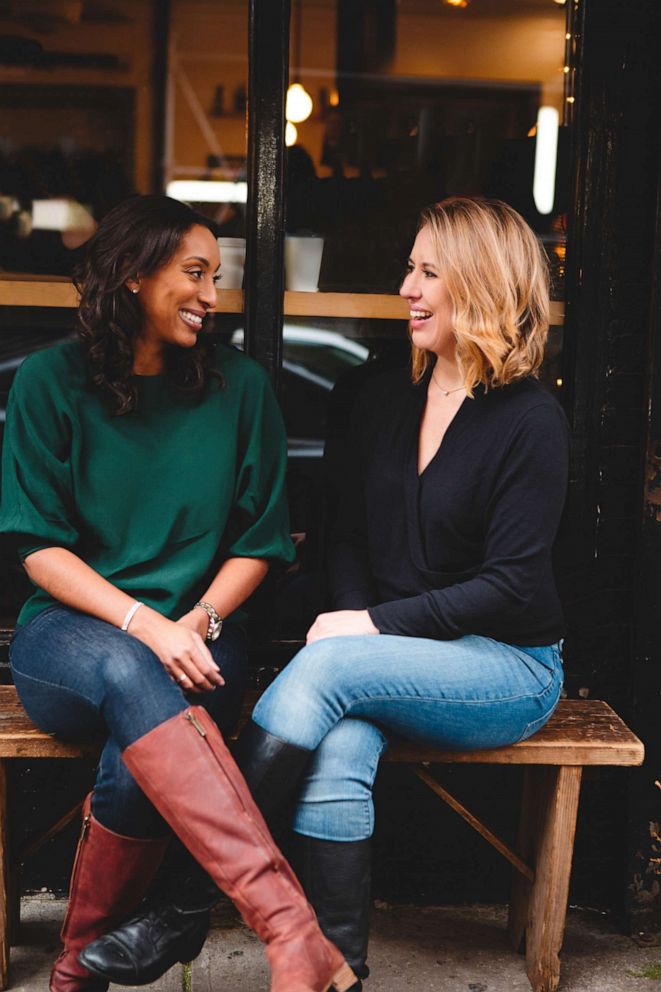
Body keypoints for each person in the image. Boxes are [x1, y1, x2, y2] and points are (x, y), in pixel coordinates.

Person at [0, 194, 356, 992]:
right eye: (193, 273)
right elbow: (38, 548)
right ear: (131, 275)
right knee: (138, 670)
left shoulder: (241, 387)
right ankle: (289, 927)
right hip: (71, 635)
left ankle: (75, 969)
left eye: (217, 278)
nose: (210, 295)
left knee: (139, 747)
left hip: (206, 626)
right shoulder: (50, 383)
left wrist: (194, 620)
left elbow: (257, 543)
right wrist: (148, 627)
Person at [231, 196, 570, 990]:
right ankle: (335, 967)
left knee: (325, 669)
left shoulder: (530, 420)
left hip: (507, 668)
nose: (407, 289)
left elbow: (511, 586)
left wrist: (367, 625)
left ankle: (181, 899)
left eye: (428, 272)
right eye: (407, 270)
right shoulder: (388, 397)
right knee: (339, 750)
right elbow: (348, 534)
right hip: (395, 656)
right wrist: (362, 622)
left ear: (481, 284)